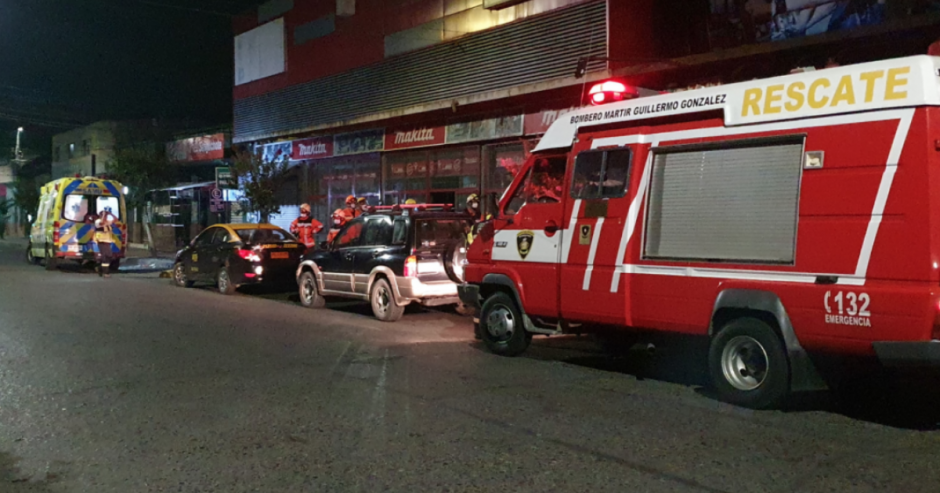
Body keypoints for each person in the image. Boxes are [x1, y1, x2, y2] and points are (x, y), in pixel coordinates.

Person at [94, 207, 117, 278]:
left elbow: (115, 219)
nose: (106, 216)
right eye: (104, 215)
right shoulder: (97, 221)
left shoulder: (107, 221)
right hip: (101, 241)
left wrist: (110, 214)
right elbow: (102, 223)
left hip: (108, 241)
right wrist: (104, 215)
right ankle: (105, 272)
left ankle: (99, 268)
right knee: (106, 256)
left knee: (109, 255)